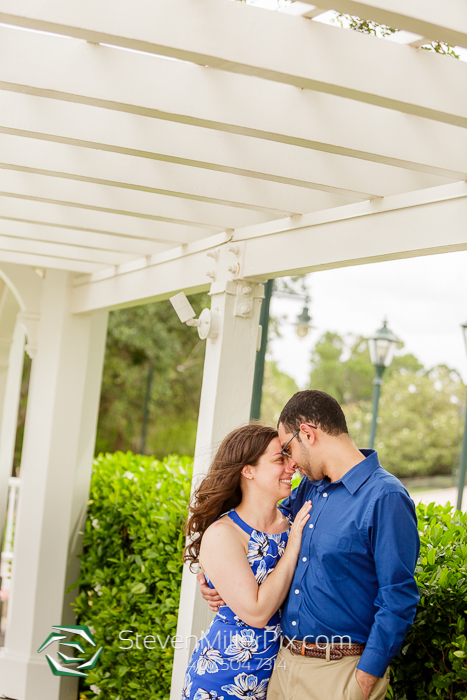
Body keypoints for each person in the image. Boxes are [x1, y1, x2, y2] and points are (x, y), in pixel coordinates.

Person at [199, 390, 420, 700]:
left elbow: (398, 596)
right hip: (282, 667)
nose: (291, 463)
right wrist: (215, 577)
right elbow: (262, 536)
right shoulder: (310, 489)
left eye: (288, 449)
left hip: (340, 673)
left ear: (308, 434)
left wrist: (364, 679)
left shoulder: (385, 497)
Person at [181, 423, 312, 700]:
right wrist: (293, 548)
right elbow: (256, 613)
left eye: (290, 457)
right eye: (280, 459)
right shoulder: (223, 533)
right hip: (223, 677)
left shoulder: (293, 523)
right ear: (248, 470)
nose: (292, 466)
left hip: (282, 678)